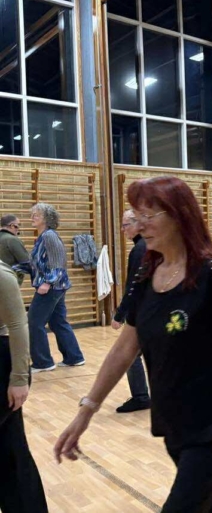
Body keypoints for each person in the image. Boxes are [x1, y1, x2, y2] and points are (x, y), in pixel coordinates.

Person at [54, 176, 212, 512]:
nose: (139, 226)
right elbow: (123, 349)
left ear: (179, 216)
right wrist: (86, 412)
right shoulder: (146, 278)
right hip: (174, 421)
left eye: (148, 216)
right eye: (136, 216)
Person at [0, 262, 49, 512]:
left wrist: (19, 378)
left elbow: (19, 325)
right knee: (10, 448)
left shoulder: (2, 275)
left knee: (12, 451)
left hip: (3, 366)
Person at [14, 203, 85, 373]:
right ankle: (74, 357)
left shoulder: (49, 236)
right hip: (57, 287)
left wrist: (48, 282)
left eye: (36, 215)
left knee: (34, 322)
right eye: (32, 214)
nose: (32, 218)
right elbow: (35, 265)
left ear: (46, 218)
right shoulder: (43, 237)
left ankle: (43, 362)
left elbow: (58, 262)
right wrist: (12, 268)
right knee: (58, 322)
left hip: (51, 287)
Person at [110, 210, 151, 412]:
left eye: (126, 225)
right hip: (151, 310)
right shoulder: (147, 246)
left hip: (144, 312)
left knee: (130, 354)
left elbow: (133, 287)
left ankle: (141, 397)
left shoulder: (140, 250)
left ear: (138, 225)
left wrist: (120, 315)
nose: (122, 229)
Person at [0, 214, 30, 285]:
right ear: (12, 226)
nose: (18, 228)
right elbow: (25, 261)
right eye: (18, 225)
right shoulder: (12, 240)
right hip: (9, 280)